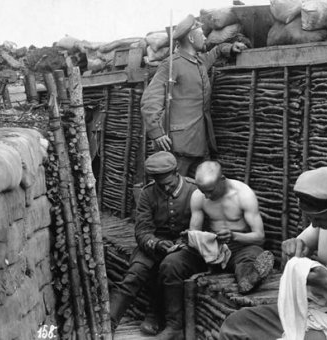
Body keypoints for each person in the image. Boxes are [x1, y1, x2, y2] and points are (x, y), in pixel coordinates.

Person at [219, 166, 327, 340]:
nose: (315, 225)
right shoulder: (325, 222)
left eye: (319, 219)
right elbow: (300, 244)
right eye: (310, 219)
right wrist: (293, 246)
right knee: (236, 324)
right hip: (317, 308)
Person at [108, 151, 203, 340]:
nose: (166, 188)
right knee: (135, 274)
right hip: (155, 244)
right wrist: (157, 243)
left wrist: (183, 243)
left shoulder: (194, 191)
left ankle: (161, 319)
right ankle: (108, 324)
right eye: (161, 185)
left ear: (177, 173)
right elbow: (142, 231)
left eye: (169, 183)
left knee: (170, 265)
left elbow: (202, 229)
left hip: (186, 246)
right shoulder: (148, 193)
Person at [141, 14, 247, 177]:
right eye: (201, 34)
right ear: (191, 37)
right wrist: (157, 131)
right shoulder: (172, 64)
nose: (205, 37)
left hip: (200, 143)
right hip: (178, 146)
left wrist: (229, 48)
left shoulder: (198, 62)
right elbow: (150, 98)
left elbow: (215, 51)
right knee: (175, 193)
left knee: (204, 190)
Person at [188, 160, 274, 293]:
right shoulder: (198, 196)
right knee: (177, 261)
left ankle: (248, 279)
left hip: (240, 248)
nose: (207, 196)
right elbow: (194, 232)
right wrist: (196, 239)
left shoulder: (243, 194)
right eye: (203, 191)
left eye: (210, 191)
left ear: (222, 179)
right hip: (211, 249)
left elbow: (260, 237)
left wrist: (234, 235)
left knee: (251, 257)